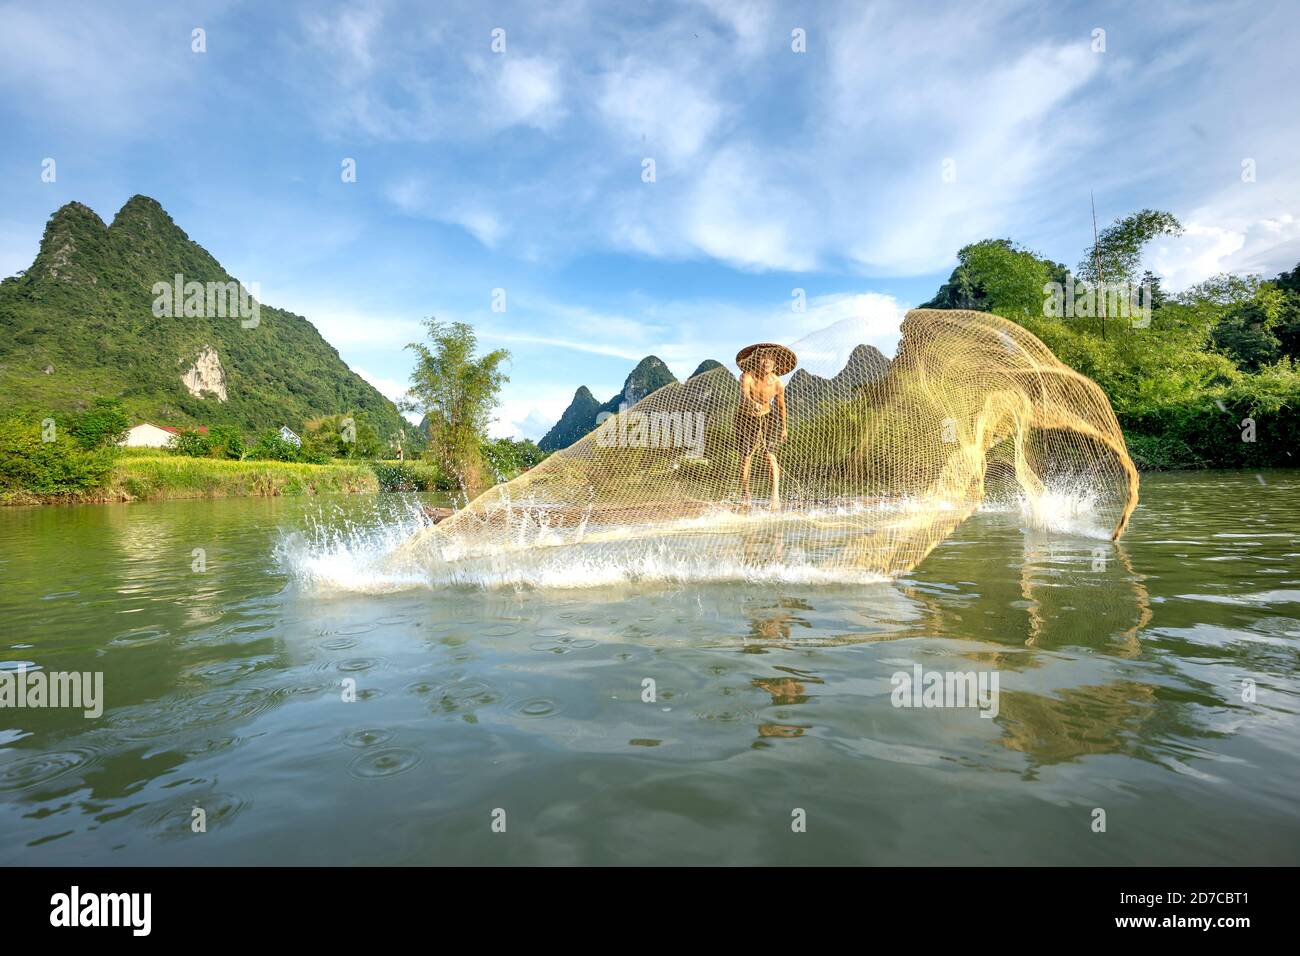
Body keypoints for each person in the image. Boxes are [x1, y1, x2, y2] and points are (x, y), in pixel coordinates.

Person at [734, 342, 796, 510]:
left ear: (775, 364)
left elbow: (781, 406)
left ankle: (775, 495)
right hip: (745, 418)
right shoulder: (747, 376)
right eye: (763, 358)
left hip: (768, 417)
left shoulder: (778, 384)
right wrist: (752, 403)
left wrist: (784, 427)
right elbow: (745, 394)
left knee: (770, 455)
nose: (766, 362)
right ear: (756, 361)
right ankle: (745, 494)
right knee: (746, 456)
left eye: (769, 359)